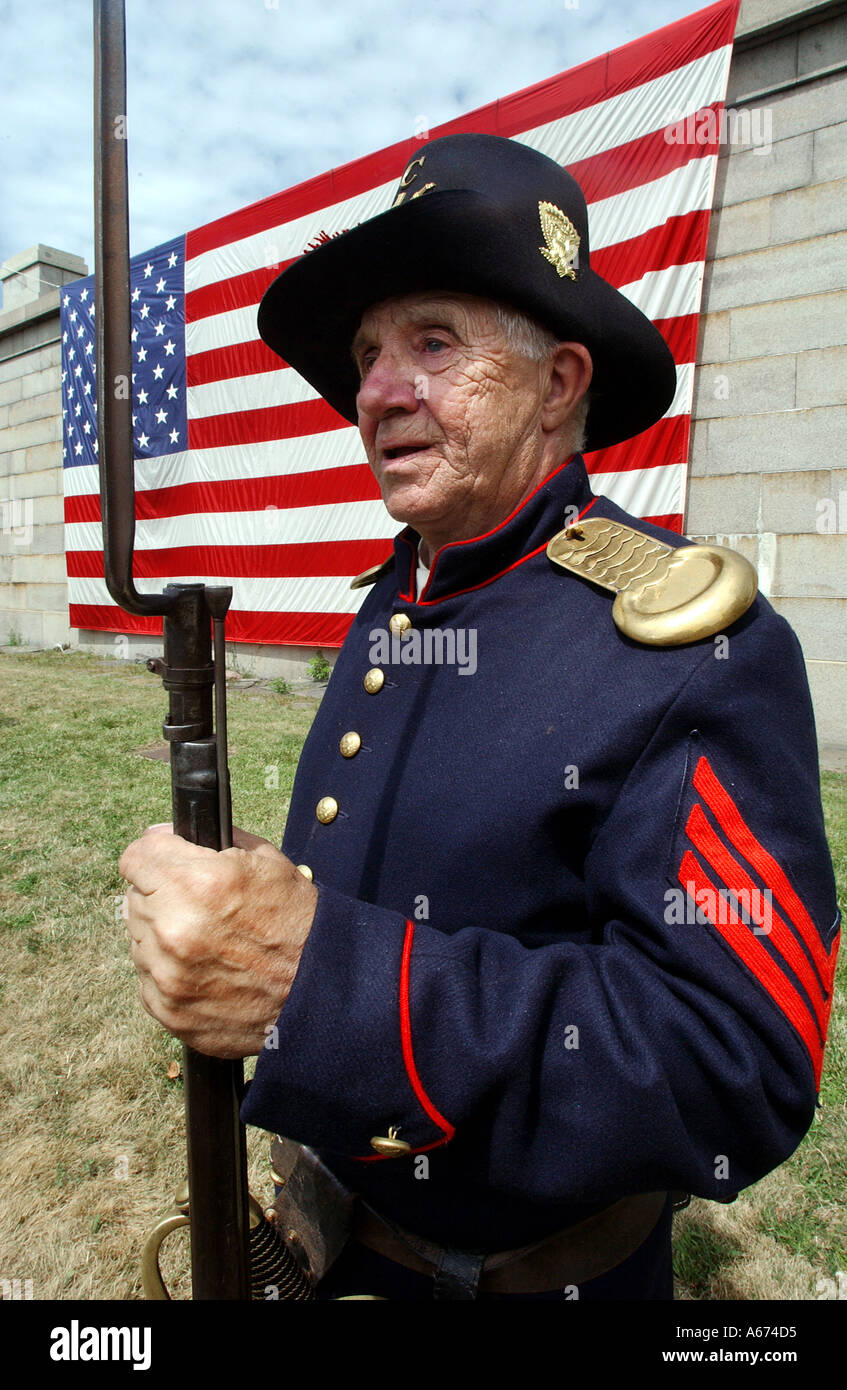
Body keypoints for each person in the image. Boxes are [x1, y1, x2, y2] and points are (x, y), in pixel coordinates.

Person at [120, 134, 840, 1301]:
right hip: (329, 1241)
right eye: (365, 355)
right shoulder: (404, 596)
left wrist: (321, 982)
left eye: (432, 343)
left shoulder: (687, 645)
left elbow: (735, 1063)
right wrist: (271, 916)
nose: (377, 392)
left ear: (558, 385)